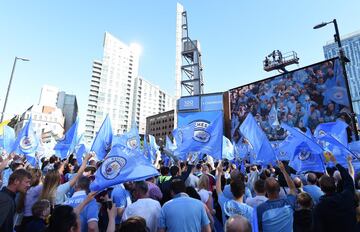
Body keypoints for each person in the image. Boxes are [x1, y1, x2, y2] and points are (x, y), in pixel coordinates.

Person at [312, 153, 357, 232]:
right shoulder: (347, 196)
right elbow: (349, 179)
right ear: (335, 185)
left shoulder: (319, 207)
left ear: (321, 189)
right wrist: (335, 162)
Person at [256, 161, 296, 232]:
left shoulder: (260, 209)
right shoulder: (289, 203)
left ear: (265, 191)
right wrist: (283, 171)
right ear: (279, 189)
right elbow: (292, 188)